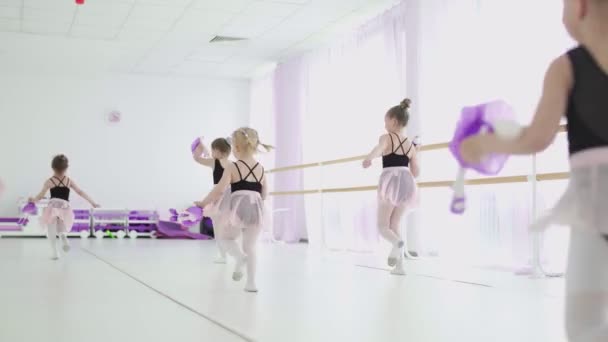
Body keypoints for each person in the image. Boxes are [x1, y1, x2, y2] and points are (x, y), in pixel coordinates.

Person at [461, 1, 608, 339]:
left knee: (584, 321)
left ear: (581, 7)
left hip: (595, 205)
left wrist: (485, 144)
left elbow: (537, 137)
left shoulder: (566, 67)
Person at [196, 128, 272, 292]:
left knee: (225, 239)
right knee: (251, 246)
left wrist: (203, 203)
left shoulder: (233, 167)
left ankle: (239, 258)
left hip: (238, 208)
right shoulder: (261, 168)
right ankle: (251, 283)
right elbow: (265, 193)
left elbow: (219, 190)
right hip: (256, 209)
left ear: (236, 148)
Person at [363, 98, 420, 276]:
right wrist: (416, 152)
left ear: (394, 121)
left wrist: (369, 158)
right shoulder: (410, 144)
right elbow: (416, 172)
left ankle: (397, 244)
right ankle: (400, 267)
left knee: (382, 226)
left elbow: (379, 148)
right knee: (395, 224)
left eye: (385, 120)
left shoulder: (387, 137)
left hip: (391, 180)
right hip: (408, 182)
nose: (384, 124)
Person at [29, 155, 99, 259]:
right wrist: (93, 202)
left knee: (51, 229)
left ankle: (55, 252)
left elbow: (40, 196)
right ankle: (64, 237)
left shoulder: (50, 181)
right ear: (66, 168)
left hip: (53, 206)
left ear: (52, 167)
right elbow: (80, 192)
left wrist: (33, 200)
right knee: (61, 226)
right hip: (64, 207)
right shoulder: (68, 181)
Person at [193, 137, 232, 263]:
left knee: (218, 226)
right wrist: (202, 148)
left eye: (213, 150)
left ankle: (223, 255)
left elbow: (197, 159)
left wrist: (198, 150)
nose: (212, 152)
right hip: (232, 195)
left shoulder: (214, 162)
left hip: (219, 195)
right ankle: (231, 253)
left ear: (218, 151)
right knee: (228, 226)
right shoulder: (231, 164)